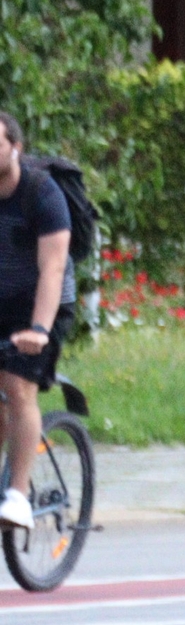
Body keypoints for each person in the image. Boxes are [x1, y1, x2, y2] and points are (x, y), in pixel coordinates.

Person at [0, 112, 70, 534]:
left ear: (15, 148)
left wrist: (40, 330)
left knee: (16, 386)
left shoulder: (41, 194)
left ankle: (19, 497)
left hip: (43, 304)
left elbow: (54, 269)